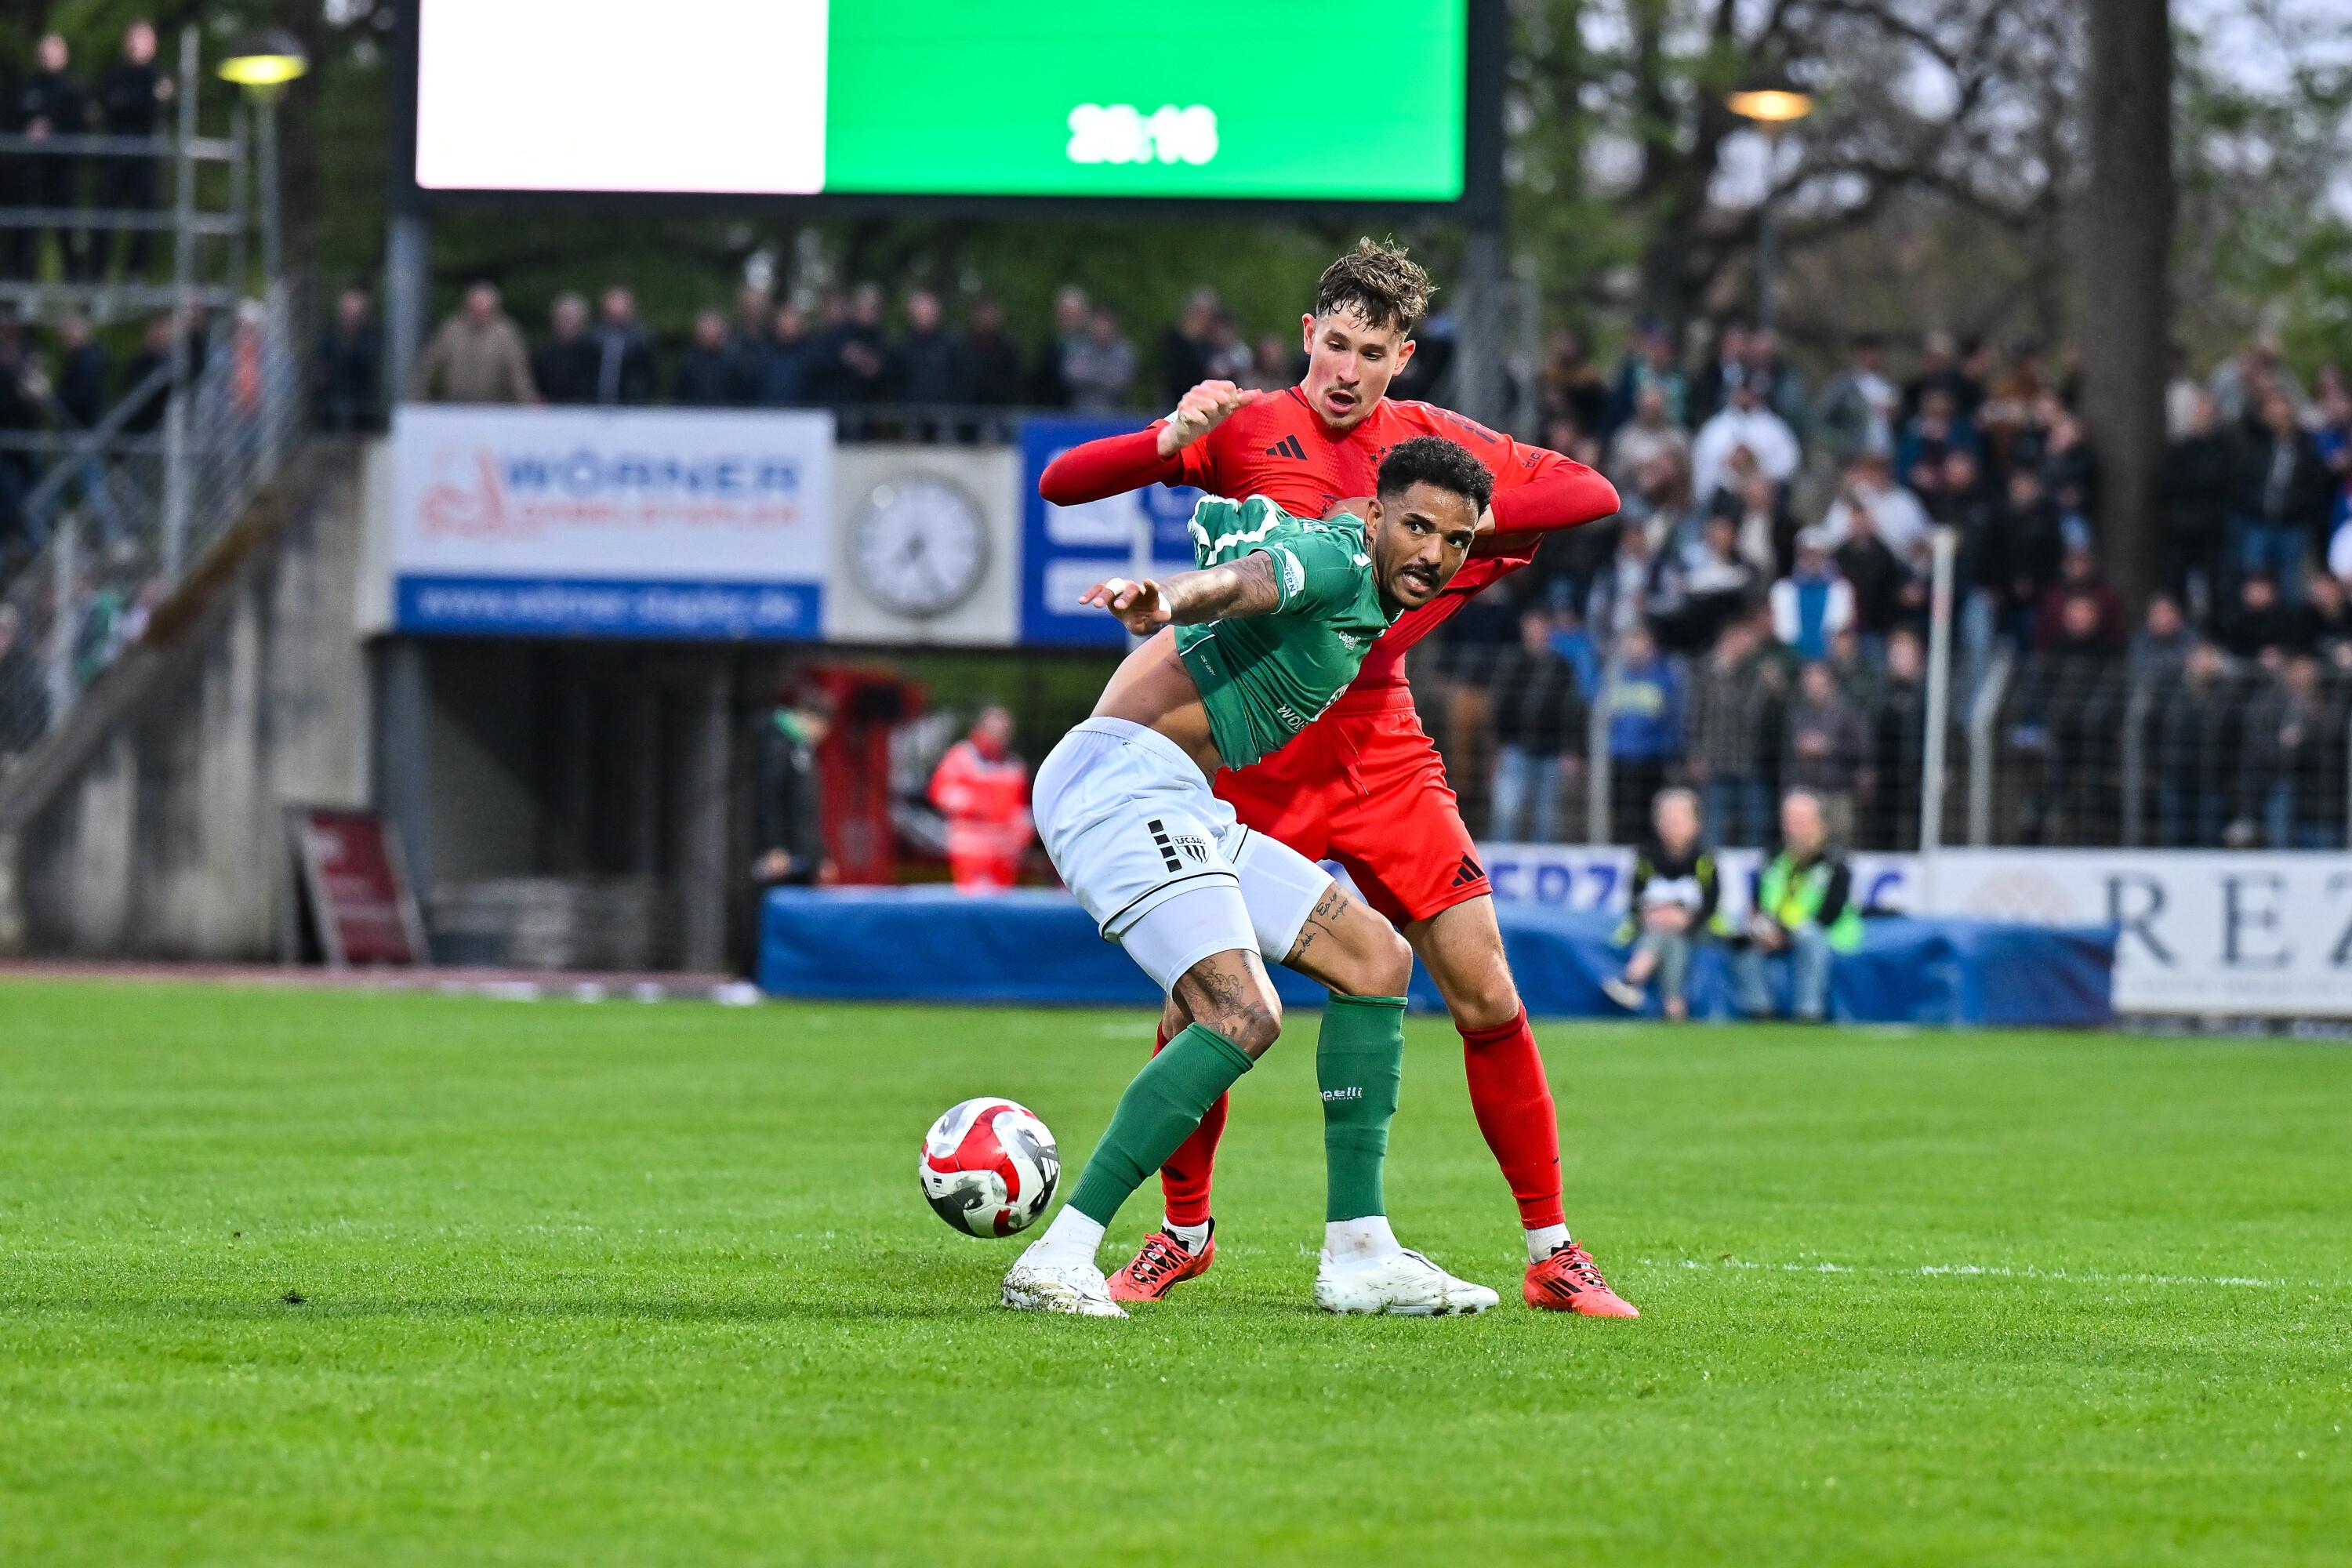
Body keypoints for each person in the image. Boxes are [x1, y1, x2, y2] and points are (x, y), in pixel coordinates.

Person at [1035, 240, 1634, 1316]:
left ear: (1405, 357)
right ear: (1308, 337)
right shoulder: (1252, 427)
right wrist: (1162, 442)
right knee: (1204, 1002)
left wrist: (1461, 524)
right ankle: (1181, 1231)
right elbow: (1067, 485)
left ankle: (1549, 1247)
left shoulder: (1432, 452)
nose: (1349, 373)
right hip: (1252, 738)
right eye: (1336, 346)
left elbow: (1590, 493)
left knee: (1480, 983)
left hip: (1377, 739)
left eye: (1375, 353)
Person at [1003, 441, 1498, 1318]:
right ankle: (1061, 1250)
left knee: (1376, 957)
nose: (1432, 552)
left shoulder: (1376, 576)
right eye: (1416, 526)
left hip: (1181, 797)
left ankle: (1359, 1251)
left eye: (1454, 540)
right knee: (1242, 1011)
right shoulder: (1342, 560)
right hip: (1117, 783)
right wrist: (1171, 599)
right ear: (1378, 516)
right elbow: (1257, 577)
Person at [1733, 790, 1860, 1022]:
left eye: (1801, 822)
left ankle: (1809, 1011)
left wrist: (1785, 935)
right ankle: (1759, 1008)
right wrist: (1761, 927)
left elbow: (1829, 913)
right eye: (1789, 821)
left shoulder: (1835, 863)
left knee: (1810, 936)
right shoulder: (1773, 858)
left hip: (1818, 931)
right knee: (1739, 938)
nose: (1793, 828)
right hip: (1776, 930)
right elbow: (1758, 902)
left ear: (1819, 824)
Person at [1602, 789, 1719, 1020]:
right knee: (1667, 935)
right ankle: (1674, 1002)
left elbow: (1711, 903)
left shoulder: (1705, 860)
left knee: (1669, 934)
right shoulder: (1646, 857)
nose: (1671, 825)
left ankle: (1633, 977)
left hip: (1693, 930)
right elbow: (1635, 900)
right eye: (1666, 819)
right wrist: (1651, 915)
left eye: (1678, 820)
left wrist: (1686, 919)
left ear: (1695, 824)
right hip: (1656, 925)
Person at [1487, 610, 1584, 842]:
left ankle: (1543, 860)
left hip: (1551, 750)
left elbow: (1572, 710)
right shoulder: (1512, 663)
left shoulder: (1562, 666)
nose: (1534, 631)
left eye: (1539, 625)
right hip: (1515, 747)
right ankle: (1497, 865)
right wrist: (1499, 745)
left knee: (1547, 816)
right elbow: (1501, 707)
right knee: (1506, 813)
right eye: (1531, 625)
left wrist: (1572, 749)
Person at [1683, 612, 1776, 848]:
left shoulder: (1752, 673)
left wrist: (1765, 687)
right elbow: (1693, 716)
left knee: (1757, 822)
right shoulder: (1703, 674)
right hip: (1714, 762)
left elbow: (1753, 716)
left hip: (1747, 762)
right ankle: (1710, 874)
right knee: (1713, 826)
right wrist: (1695, 754)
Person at [2230, 387, 2332, 598]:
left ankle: (2290, 628)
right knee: (2254, 581)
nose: (2278, 413)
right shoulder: (2257, 442)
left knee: (2290, 584)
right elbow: (2245, 477)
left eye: (2282, 407)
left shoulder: (2305, 445)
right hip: (2258, 521)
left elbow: (2314, 482)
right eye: (2273, 408)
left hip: (2292, 525)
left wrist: (2301, 509)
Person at [92, 20, 172, 280]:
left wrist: (134, 104)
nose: (137, 44)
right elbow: (108, 108)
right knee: (103, 217)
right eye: (134, 38)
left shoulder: (159, 76)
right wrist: (144, 102)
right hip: (115, 158)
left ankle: (135, 273)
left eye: (143, 39)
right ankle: (97, 273)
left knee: (147, 217)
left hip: (146, 160)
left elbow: (162, 112)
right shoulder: (114, 77)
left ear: (153, 44)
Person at [927, 705, 1032, 891]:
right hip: (971, 849)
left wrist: (1022, 834)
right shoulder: (961, 758)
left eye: (1004, 730)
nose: (1000, 736)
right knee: (975, 902)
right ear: (982, 728)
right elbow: (940, 792)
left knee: (1000, 906)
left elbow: (1019, 809)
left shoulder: (1013, 767)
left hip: (1004, 854)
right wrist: (977, 804)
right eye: (995, 729)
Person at [16, 34, 91, 281]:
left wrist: (51, 129)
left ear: (64, 55)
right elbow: (14, 120)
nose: (48, 57)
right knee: (27, 236)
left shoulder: (74, 89)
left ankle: (78, 292)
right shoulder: (28, 87)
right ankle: (23, 297)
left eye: (53, 51)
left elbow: (82, 126)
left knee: (68, 236)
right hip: (32, 175)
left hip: (63, 174)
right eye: (44, 52)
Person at [1606, 624, 1682, 844]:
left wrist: (1671, 750)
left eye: (1639, 641)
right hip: (1620, 756)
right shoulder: (1616, 675)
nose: (1633, 647)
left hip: (1651, 757)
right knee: (1621, 813)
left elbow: (1672, 717)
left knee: (1649, 815)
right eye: (1630, 642)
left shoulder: (1665, 676)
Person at [753, 688, 833, 887]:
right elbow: (769, 798)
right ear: (811, 719)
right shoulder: (778, 744)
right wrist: (774, 847)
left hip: (800, 858)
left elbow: (806, 812)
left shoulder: (802, 749)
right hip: (781, 859)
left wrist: (819, 856)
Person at [1780, 661, 1867, 844]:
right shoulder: (1797, 713)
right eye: (1809, 679)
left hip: (1838, 790)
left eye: (1817, 678)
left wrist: (1829, 747)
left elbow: (1861, 748)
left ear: (1830, 681)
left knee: (1839, 842)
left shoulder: (1847, 711)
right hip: (1806, 791)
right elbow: (1786, 751)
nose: (1813, 684)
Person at [410, 283, 536, 405]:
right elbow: (429, 364)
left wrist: (528, 401)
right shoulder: (451, 330)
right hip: (454, 405)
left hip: (493, 407)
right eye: (475, 310)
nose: (480, 315)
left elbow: (518, 372)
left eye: (485, 311)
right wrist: (418, 395)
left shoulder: (506, 333)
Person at [1690, 379, 1799, 505]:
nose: (1745, 396)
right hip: (1720, 499)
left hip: (1761, 496)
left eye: (1749, 391)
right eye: (1742, 390)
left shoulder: (1774, 427)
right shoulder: (1716, 427)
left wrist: (1760, 476)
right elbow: (1702, 461)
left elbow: (1789, 462)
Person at [1770, 529, 1855, 662]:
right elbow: (1783, 632)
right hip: (1792, 657)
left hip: (1831, 658)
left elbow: (1841, 626)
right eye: (1807, 554)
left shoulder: (1841, 588)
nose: (1812, 559)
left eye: (1817, 554)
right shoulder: (1783, 589)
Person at [310, 289, 379, 433]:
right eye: (347, 314)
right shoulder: (328, 338)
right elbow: (320, 369)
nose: (350, 319)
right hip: (332, 401)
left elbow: (366, 364)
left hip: (363, 401)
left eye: (355, 315)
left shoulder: (372, 338)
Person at [898, 288, 970, 408]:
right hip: (911, 415)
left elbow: (963, 381)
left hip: (946, 415)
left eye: (928, 309)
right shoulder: (901, 347)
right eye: (920, 310)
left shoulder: (953, 345)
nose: (924, 314)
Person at [1062, 303, 1137, 412]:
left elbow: (1121, 381)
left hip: (1115, 414)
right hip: (1078, 413)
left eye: (1106, 324)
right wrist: (1104, 374)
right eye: (1098, 324)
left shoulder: (1124, 352)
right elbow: (1071, 374)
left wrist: (1090, 374)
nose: (1102, 328)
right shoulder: (1078, 347)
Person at [591, 287, 655, 406]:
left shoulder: (642, 341)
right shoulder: (592, 340)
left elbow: (651, 376)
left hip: (631, 406)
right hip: (594, 406)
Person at [671, 309, 736, 406]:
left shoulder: (733, 363)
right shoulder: (688, 363)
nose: (710, 335)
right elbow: (679, 394)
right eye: (707, 330)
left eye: (714, 330)